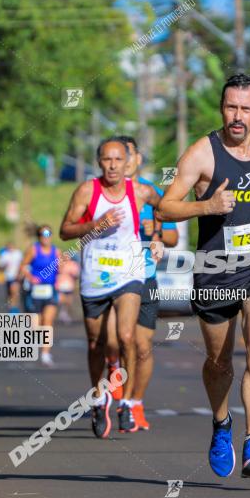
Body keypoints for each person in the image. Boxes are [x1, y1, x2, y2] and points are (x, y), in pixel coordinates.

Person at [157, 73, 250, 479]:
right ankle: (221, 423)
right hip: (215, 269)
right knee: (219, 361)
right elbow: (165, 208)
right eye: (230, 107)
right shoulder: (201, 155)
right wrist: (206, 207)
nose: (237, 116)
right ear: (222, 108)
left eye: (245, 108)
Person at [59, 136, 163, 439]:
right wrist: (95, 224)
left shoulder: (140, 191)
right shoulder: (87, 191)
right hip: (95, 274)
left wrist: (156, 234)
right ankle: (99, 397)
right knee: (97, 343)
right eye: (107, 159)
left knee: (127, 336)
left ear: (127, 160)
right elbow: (66, 229)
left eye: (119, 159)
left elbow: (167, 206)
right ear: (99, 162)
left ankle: (127, 401)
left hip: (129, 274)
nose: (113, 165)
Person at [103, 135, 179, 433]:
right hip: (112, 277)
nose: (124, 160)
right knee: (115, 341)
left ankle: (133, 404)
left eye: (128, 154)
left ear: (136, 159)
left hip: (145, 276)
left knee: (142, 346)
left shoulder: (152, 193)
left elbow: (172, 235)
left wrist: (156, 232)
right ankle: (113, 369)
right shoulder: (103, 192)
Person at [19, 225, 59, 366]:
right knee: (36, 324)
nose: (46, 237)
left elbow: (61, 269)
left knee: (48, 321)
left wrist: (61, 278)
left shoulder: (56, 251)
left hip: (50, 290)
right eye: (43, 234)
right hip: (35, 291)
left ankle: (45, 354)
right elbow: (22, 266)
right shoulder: (33, 250)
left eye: (48, 233)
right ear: (39, 236)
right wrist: (30, 277)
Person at [0, 242, 23, 313]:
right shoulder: (4, 255)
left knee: (14, 292)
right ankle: (12, 308)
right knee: (9, 294)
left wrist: (20, 273)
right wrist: (4, 266)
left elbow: (22, 263)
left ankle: (14, 309)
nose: (10, 248)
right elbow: (0, 266)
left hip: (16, 276)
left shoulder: (18, 253)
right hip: (8, 277)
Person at [55, 254, 80, 325]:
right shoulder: (59, 264)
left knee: (69, 301)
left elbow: (76, 274)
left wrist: (73, 274)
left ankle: (64, 313)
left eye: (68, 257)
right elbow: (57, 272)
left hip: (69, 285)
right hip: (60, 285)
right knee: (61, 300)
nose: (66, 258)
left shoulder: (73, 264)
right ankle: (62, 313)